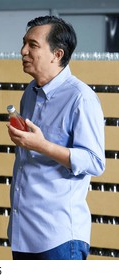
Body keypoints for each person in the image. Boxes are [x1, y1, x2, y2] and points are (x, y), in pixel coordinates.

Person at [6, 15, 105, 260]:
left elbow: (95, 162)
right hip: (23, 232)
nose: (23, 51)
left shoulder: (81, 98)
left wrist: (42, 145)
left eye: (33, 45)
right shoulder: (30, 92)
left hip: (58, 237)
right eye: (24, 43)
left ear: (57, 54)